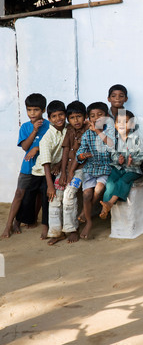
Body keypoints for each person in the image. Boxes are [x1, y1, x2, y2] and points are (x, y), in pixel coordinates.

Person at [15, 100, 67, 243]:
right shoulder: (47, 137)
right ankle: (18, 220)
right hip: (39, 170)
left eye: (61, 115)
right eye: (54, 116)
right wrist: (51, 185)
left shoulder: (67, 130)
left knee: (46, 197)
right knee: (28, 197)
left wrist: (57, 166)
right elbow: (45, 162)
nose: (58, 119)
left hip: (52, 171)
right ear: (49, 119)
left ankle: (45, 226)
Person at [1, 93, 49, 238]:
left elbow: (54, 145)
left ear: (43, 110)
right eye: (29, 110)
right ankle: (11, 224)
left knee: (40, 194)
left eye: (36, 110)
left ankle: (32, 218)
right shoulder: (26, 127)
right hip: (28, 166)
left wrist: (38, 148)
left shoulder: (50, 125)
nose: (32, 113)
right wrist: (34, 130)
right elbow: (25, 147)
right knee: (19, 194)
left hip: (44, 167)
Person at [76, 102, 115, 239]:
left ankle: (86, 215)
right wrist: (82, 156)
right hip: (90, 169)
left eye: (100, 115)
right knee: (87, 195)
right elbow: (80, 152)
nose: (96, 118)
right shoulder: (87, 135)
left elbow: (111, 145)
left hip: (105, 168)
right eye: (92, 116)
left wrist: (97, 131)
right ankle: (89, 221)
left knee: (98, 190)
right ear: (89, 118)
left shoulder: (110, 131)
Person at [54, 100, 89, 243]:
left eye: (79, 116)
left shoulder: (88, 131)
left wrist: (69, 174)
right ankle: (56, 231)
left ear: (85, 116)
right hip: (68, 169)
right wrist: (63, 172)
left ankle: (72, 229)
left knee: (69, 194)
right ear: (69, 119)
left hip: (81, 169)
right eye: (73, 118)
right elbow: (66, 151)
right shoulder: (69, 130)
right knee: (56, 196)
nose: (76, 120)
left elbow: (80, 155)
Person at [100, 110, 143, 219]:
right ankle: (105, 208)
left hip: (133, 169)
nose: (121, 124)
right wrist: (118, 160)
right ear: (115, 124)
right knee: (110, 182)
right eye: (118, 122)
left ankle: (110, 203)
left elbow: (142, 155)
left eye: (125, 122)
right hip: (118, 168)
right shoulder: (114, 139)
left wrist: (133, 161)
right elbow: (113, 153)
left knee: (123, 180)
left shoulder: (137, 138)